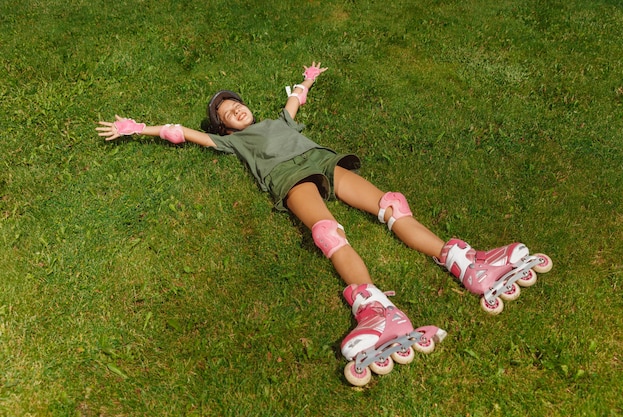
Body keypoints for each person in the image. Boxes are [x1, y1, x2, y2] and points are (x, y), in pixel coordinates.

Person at [97, 62, 551, 385]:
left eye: (236, 103)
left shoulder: (278, 120)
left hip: (322, 161)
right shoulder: (232, 143)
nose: (234, 109)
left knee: (392, 206)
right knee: (329, 233)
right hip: (291, 180)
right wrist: (142, 129)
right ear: (225, 128)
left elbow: (294, 102)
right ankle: (376, 310)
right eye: (226, 113)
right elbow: (184, 133)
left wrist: (306, 82)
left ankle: (465, 262)